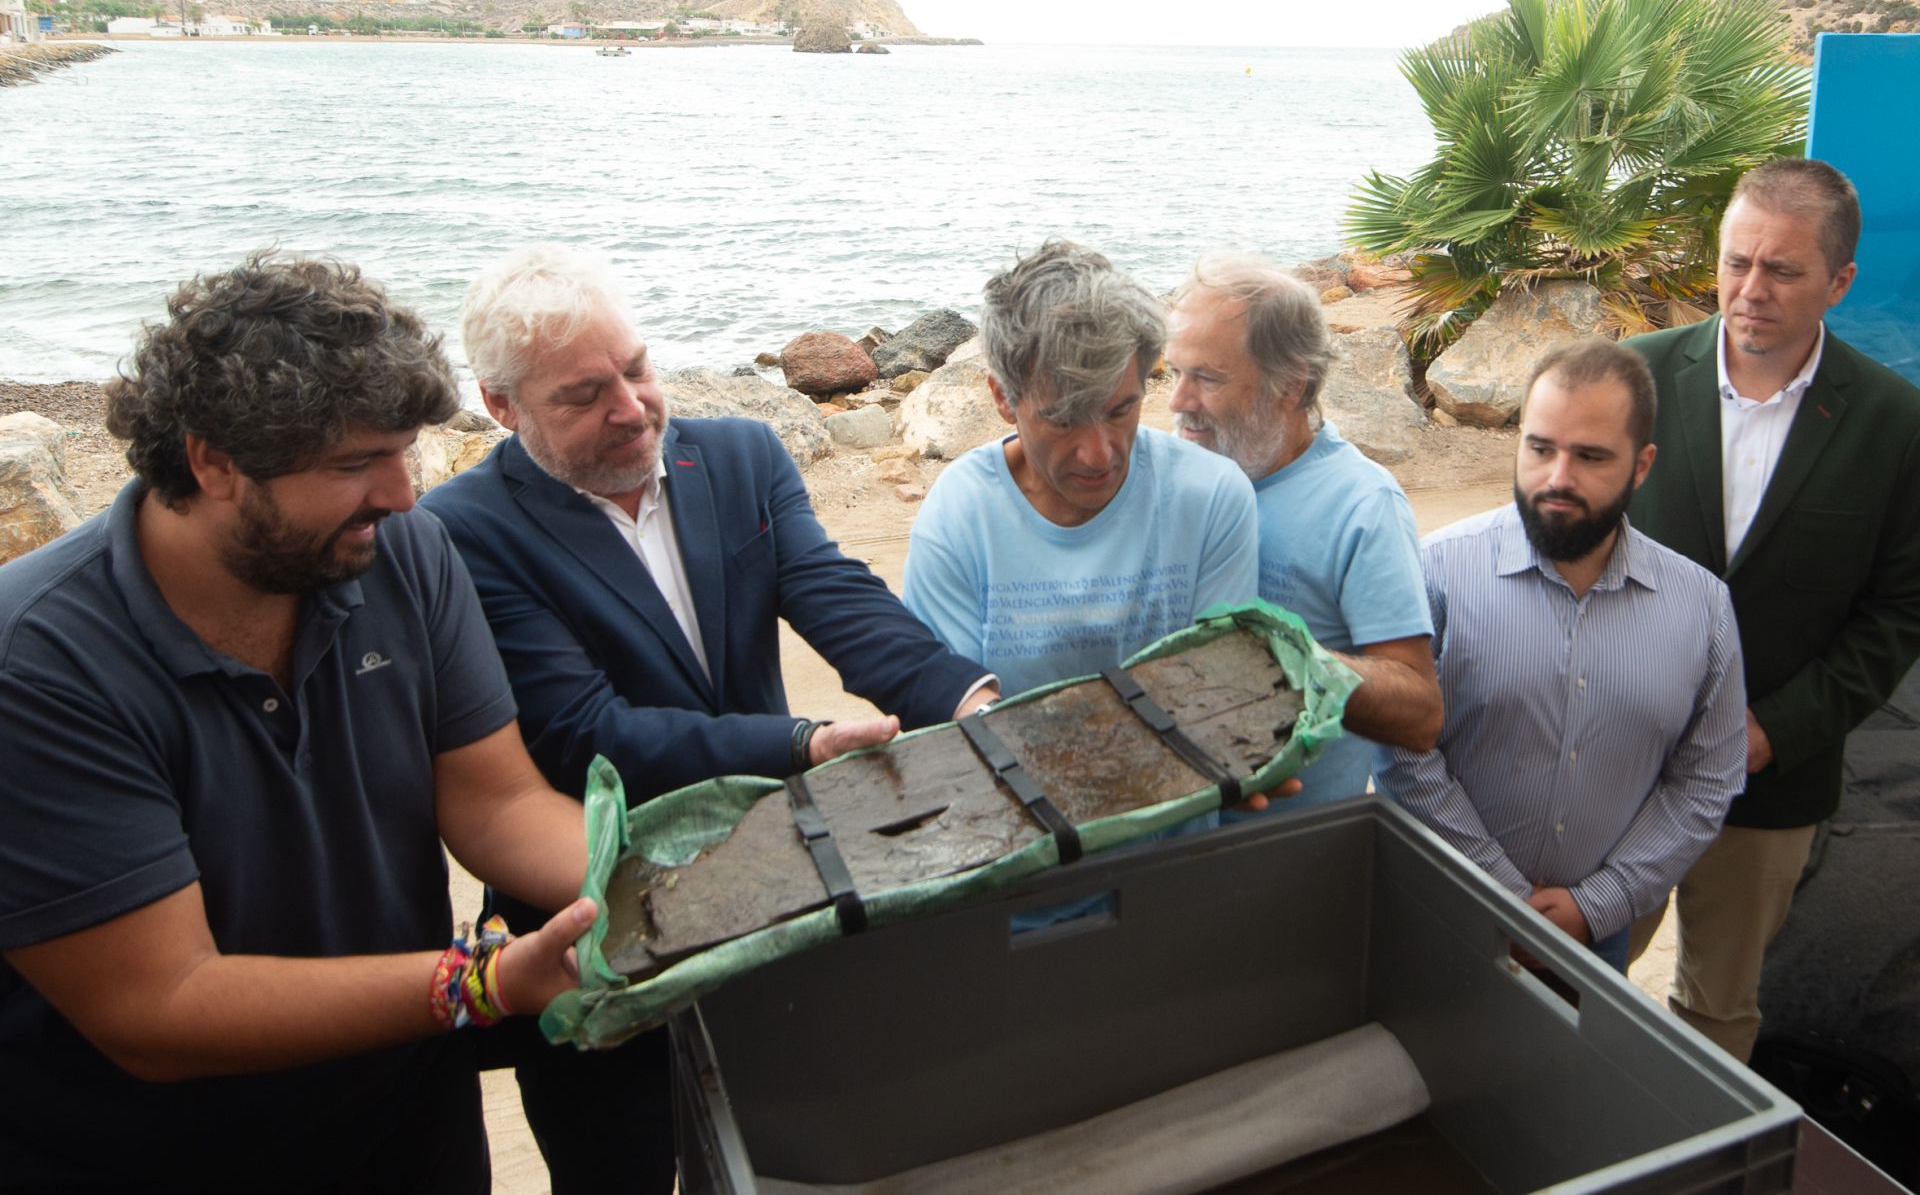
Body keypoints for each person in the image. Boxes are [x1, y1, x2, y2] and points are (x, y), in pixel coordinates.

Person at [0, 253, 594, 1193]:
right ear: (213, 461)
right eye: (356, 464)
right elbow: (162, 1004)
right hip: (144, 1159)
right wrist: (478, 985)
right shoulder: (38, 660)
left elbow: (498, 799)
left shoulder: (402, 552)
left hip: (406, 1126)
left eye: (403, 453)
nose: (402, 494)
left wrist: (656, 888)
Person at [420, 244, 996, 1193]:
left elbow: (837, 600)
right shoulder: (460, 532)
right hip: (593, 926)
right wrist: (798, 745)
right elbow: (584, 730)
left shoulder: (740, 454)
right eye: (582, 395)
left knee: (786, 1157)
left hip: (773, 888)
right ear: (500, 406)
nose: (630, 407)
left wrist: (969, 701)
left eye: (637, 369)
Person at [1625, 157, 1920, 1060]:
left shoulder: (1896, 423)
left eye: (1782, 271)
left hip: (1772, 782)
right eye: (1734, 262)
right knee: (1570, 970)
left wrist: (1772, 731)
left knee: (1719, 1015)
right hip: (1614, 757)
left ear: (1840, 281)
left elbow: (1900, 614)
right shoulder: (1629, 378)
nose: (1748, 291)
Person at [1378, 339, 1747, 972]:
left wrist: (1598, 903)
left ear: (1642, 465)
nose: (1557, 479)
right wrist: (1503, 889)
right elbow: (1400, 750)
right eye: (1540, 448)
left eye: (1591, 456)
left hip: (1595, 939)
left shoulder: (1703, 607)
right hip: (1436, 910)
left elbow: (1707, 778)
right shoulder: (1433, 572)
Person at [902, 237, 1259, 726]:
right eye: (1065, 418)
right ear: (1004, 397)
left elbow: (1222, 701)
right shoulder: (960, 517)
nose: (1099, 454)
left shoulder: (1211, 498)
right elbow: (945, 720)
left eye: (1121, 410)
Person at [1165, 252, 1443, 811]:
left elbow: (1419, 713)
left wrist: (1284, 657)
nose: (1177, 402)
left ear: (1289, 387)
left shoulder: (1362, 504)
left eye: (1207, 379)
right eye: (1174, 372)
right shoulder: (1174, 468)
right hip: (1166, 836)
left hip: (1284, 848)